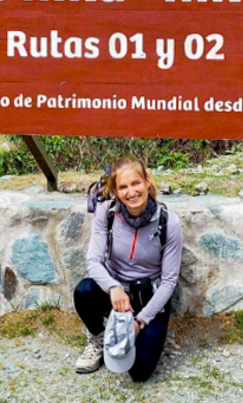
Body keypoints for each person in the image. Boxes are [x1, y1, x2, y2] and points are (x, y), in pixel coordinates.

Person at [73, 156, 182, 381]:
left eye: (136, 183)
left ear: (147, 181)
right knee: (84, 291)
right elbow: (93, 260)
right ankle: (101, 338)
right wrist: (113, 287)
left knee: (139, 371)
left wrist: (139, 322)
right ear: (114, 190)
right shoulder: (107, 212)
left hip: (150, 297)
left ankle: (137, 333)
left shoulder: (168, 222)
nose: (130, 192)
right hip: (117, 296)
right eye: (122, 187)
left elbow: (170, 281)